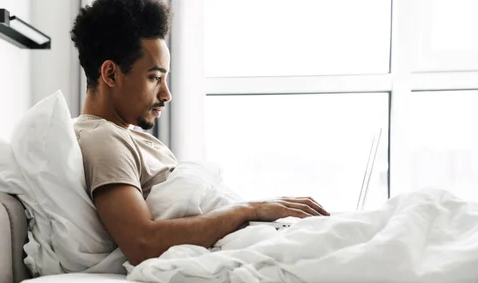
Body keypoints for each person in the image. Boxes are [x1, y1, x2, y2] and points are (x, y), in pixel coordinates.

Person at [70, 0, 329, 266]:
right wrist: (250, 209)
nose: (166, 94)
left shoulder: (128, 137)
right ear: (111, 74)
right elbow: (142, 242)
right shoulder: (102, 139)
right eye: (154, 77)